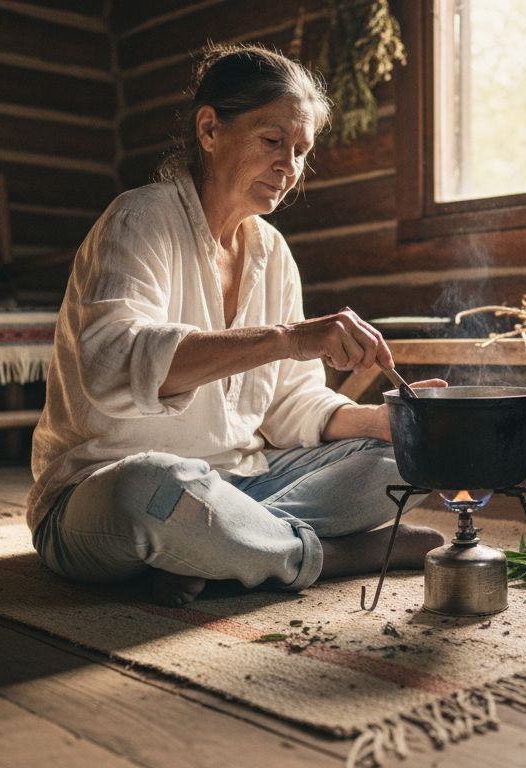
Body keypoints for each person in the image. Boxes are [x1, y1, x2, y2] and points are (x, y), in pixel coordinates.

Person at [26, 43, 445, 607]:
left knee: (406, 461)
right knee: (152, 490)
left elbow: (289, 405)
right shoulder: (139, 218)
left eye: (301, 150)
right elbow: (109, 365)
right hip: (103, 492)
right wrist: (289, 339)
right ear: (209, 130)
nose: (289, 167)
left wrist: (381, 421)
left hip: (242, 487)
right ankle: (334, 554)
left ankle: (223, 550)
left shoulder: (273, 253)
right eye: (273, 141)